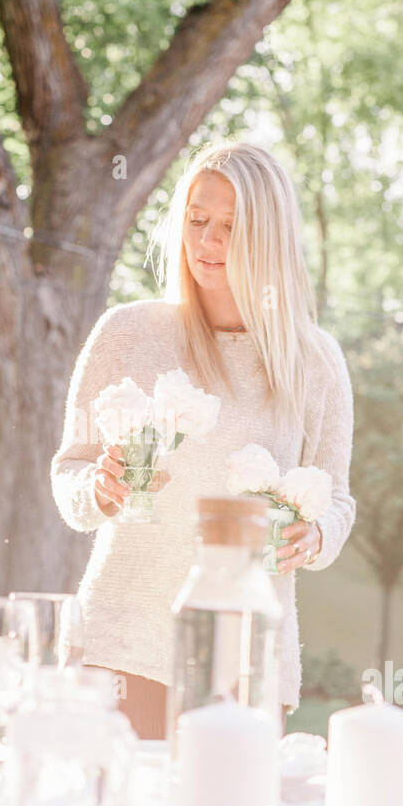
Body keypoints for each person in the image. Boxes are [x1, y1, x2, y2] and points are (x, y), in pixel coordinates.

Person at [48, 141, 356, 739]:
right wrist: (101, 489)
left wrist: (313, 537)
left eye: (231, 228)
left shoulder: (315, 362)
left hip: (247, 660)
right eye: (197, 221)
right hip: (119, 647)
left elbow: (337, 499)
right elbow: (71, 475)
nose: (208, 242)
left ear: (268, 238)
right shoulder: (127, 334)